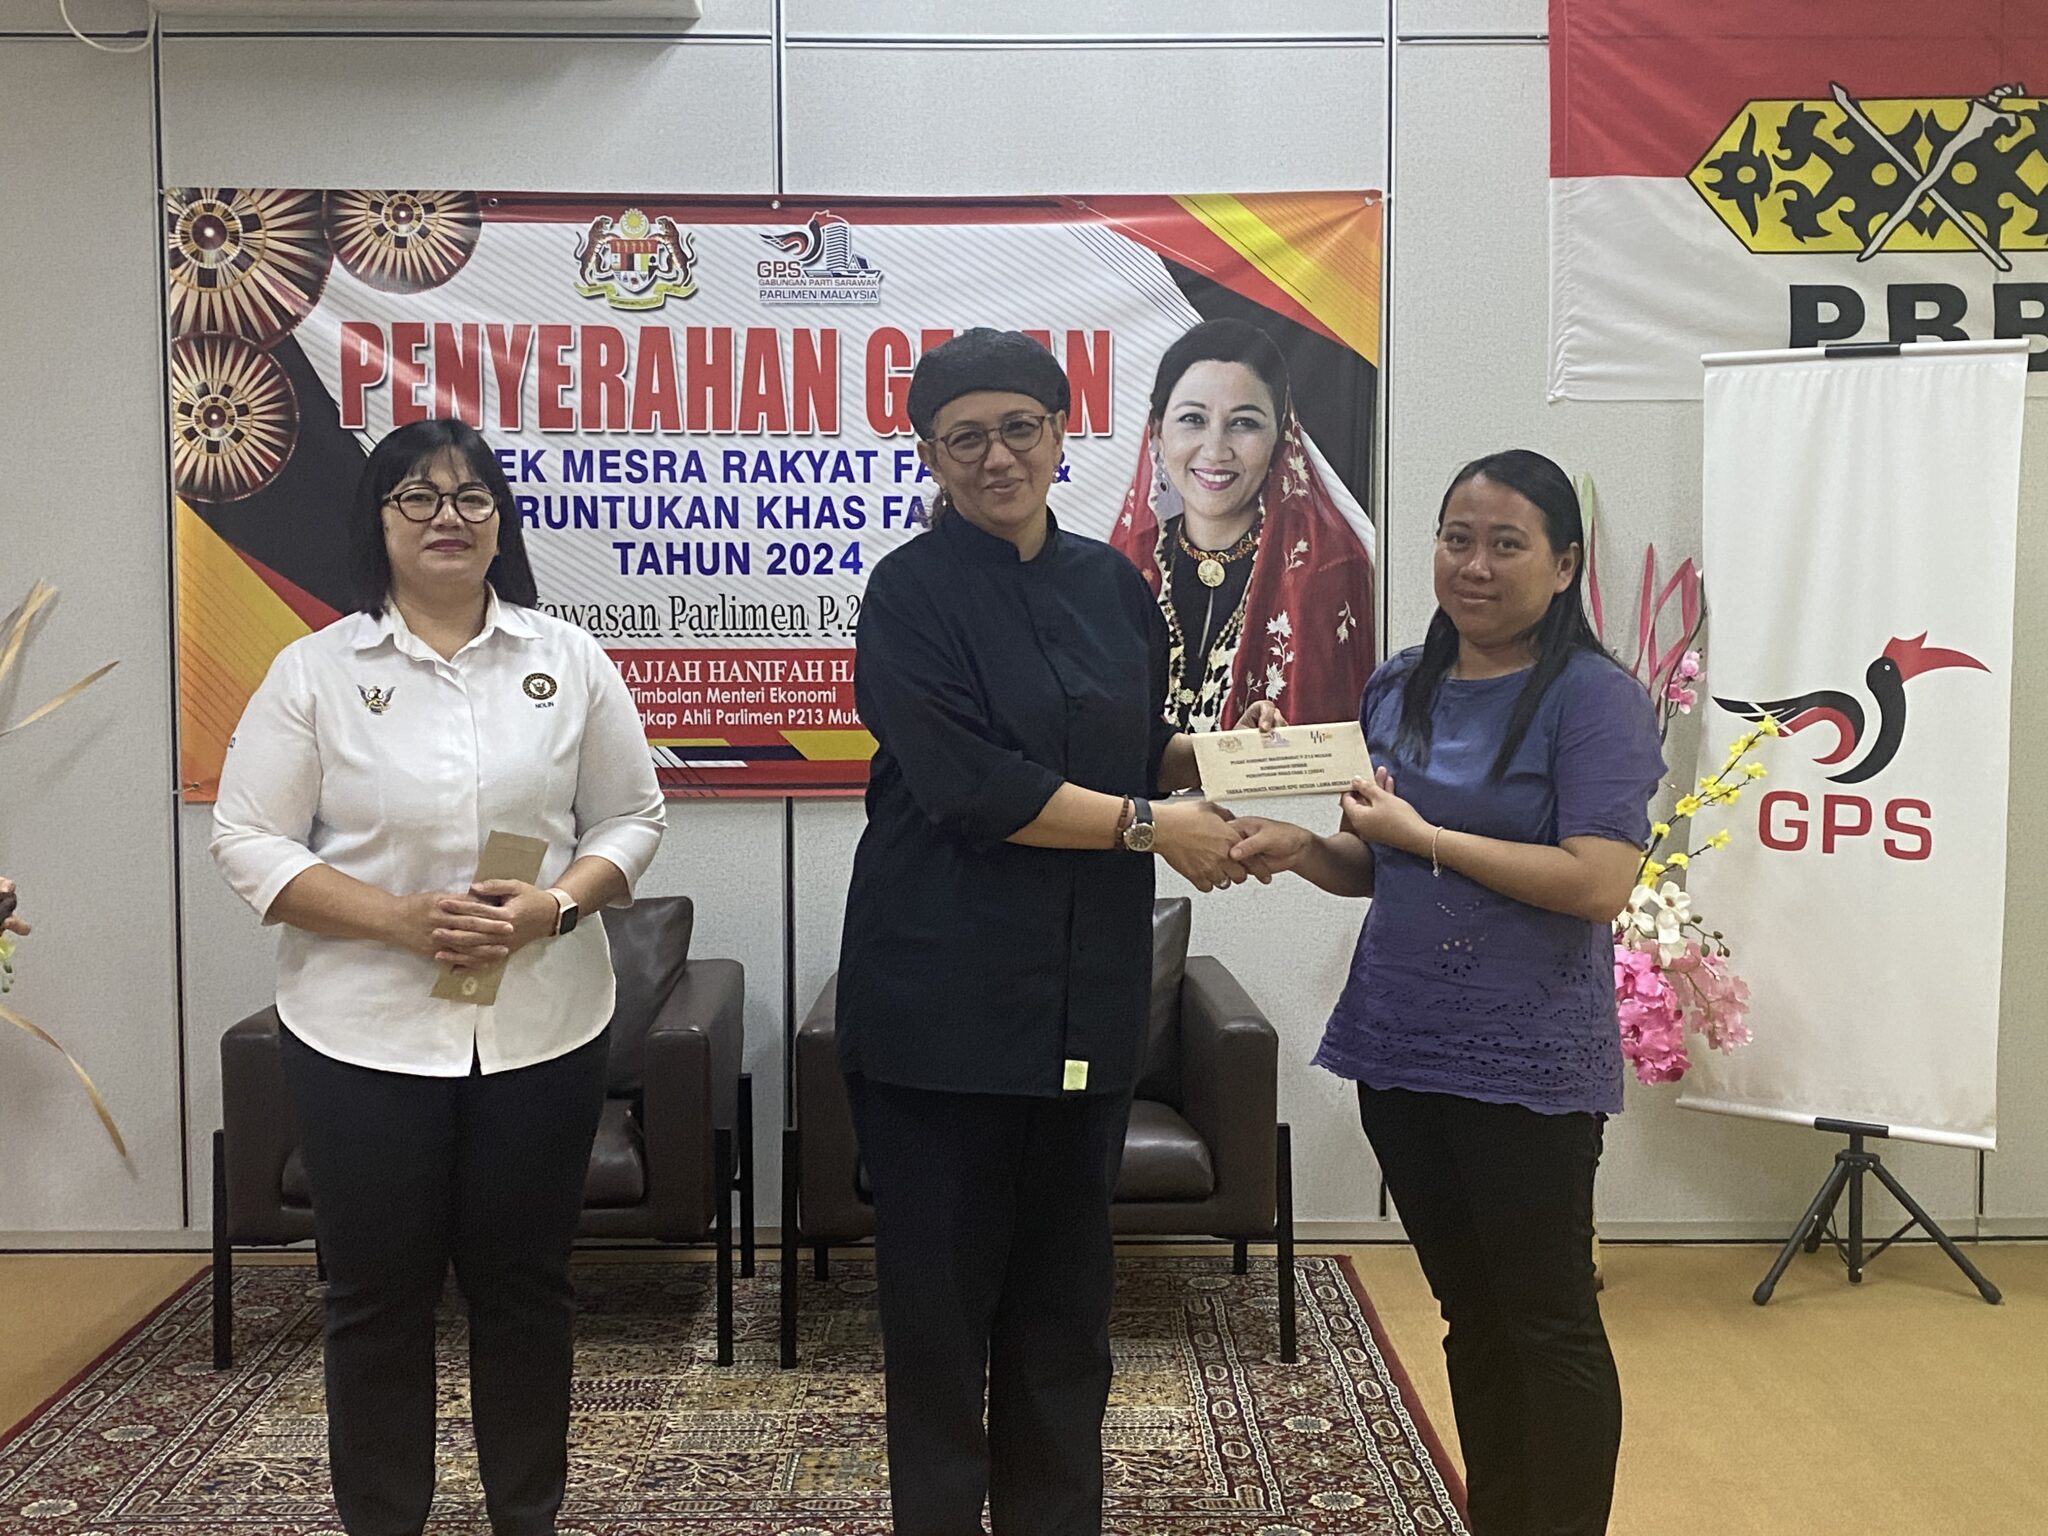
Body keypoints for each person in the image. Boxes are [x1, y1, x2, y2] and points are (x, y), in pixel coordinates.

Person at [838, 328, 1273, 1536]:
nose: (996, 458)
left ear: (1060, 433)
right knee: (940, 1327)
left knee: (1066, 1319)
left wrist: (1235, 759)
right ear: (929, 455)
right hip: (940, 1015)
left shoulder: (1113, 587)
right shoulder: (907, 596)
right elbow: (971, 786)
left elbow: (1132, 746)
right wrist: (1150, 826)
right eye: (964, 439)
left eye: (1019, 429)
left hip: (1085, 1003)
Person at [210, 418, 665, 1536]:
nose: (445, 518)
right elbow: (247, 839)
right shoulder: (316, 671)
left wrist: (555, 906)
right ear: (378, 523)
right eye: (415, 497)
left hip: (543, 1030)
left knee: (526, 1291)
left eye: (469, 497)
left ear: (500, 523)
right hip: (360, 1034)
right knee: (374, 1299)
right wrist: (397, 921)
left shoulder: (569, 659)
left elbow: (631, 818)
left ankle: (527, 1516)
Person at [1232, 450, 1662, 1536]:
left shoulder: (1596, 699)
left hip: (1525, 1061)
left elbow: (1597, 883)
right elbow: (1377, 866)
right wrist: (1299, 847)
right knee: (1470, 1314)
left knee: (1548, 1322)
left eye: (1506, 544)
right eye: (1456, 539)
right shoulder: (1398, 683)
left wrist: (1421, 834)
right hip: (1398, 1046)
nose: (1474, 566)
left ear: (1563, 565)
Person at [1113, 317, 1376, 733]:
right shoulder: (1122, 568)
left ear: (1280, 437)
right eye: (1193, 419)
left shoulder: (1325, 572)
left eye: (1244, 423)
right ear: (1157, 432)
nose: (1216, 450)